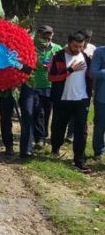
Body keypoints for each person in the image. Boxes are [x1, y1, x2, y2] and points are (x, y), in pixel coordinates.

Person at [49, 32, 92, 173]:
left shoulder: (85, 57)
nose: (78, 49)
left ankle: (79, 160)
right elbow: (52, 77)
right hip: (63, 99)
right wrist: (70, 70)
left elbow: (89, 76)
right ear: (68, 43)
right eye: (76, 46)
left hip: (81, 99)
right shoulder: (59, 56)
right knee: (58, 127)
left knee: (81, 131)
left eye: (81, 46)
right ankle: (55, 147)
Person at [19, 25, 61, 157]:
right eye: (44, 36)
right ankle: (28, 146)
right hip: (32, 85)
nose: (47, 39)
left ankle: (41, 138)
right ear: (38, 35)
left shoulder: (57, 49)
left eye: (49, 36)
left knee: (45, 113)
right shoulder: (30, 48)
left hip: (49, 86)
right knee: (31, 113)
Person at [90, 44, 105, 158]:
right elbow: (92, 72)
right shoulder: (100, 52)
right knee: (100, 125)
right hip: (102, 97)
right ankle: (98, 151)